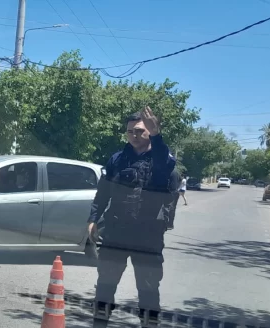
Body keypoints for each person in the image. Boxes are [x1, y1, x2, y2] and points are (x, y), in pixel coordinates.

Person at [87, 106, 176, 327]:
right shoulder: (117, 159)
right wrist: (93, 219)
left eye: (140, 131)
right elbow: (103, 192)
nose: (134, 136)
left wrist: (157, 136)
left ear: (150, 132)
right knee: (105, 286)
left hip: (148, 236)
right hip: (116, 232)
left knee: (148, 290)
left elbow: (164, 160)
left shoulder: (161, 159)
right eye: (130, 132)